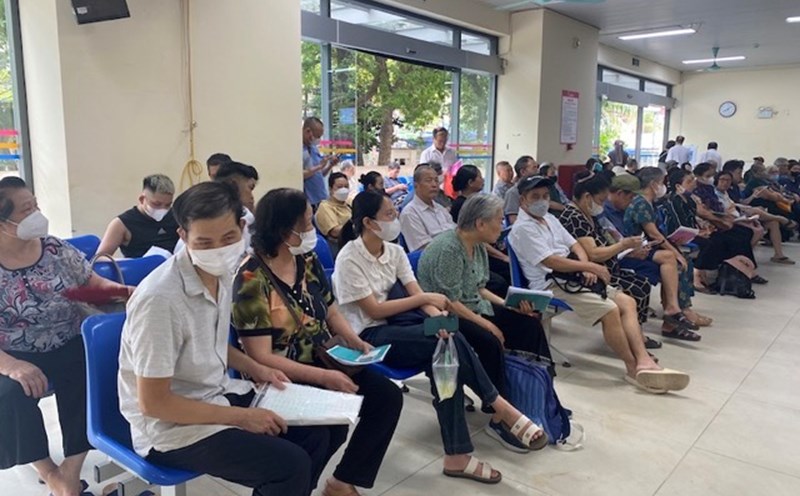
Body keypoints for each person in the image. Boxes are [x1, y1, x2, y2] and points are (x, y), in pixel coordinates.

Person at [119, 182, 329, 496]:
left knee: (323, 428)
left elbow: (209, 341)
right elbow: (154, 403)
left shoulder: (223, 272)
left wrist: (257, 368)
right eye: (204, 242)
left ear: (243, 227)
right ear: (183, 236)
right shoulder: (160, 301)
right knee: (289, 465)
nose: (218, 249)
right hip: (172, 427)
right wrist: (243, 417)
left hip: (216, 393)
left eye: (228, 238)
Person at [334, 191, 548, 484]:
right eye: (388, 214)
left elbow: (414, 292)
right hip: (370, 334)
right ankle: (498, 409)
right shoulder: (350, 257)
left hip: (405, 323)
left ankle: (461, 451)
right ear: (369, 222)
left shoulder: (393, 251)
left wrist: (435, 313)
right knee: (445, 344)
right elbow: (374, 309)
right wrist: (427, 301)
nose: (394, 218)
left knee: (447, 343)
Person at [232, 188, 402, 496]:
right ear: (286, 232)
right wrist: (326, 377)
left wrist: (355, 342)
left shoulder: (305, 259)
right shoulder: (250, 279)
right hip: (281, 377)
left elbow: (331, 309)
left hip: (324, 357)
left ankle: (342, 481)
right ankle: (297, 488)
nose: (314, 231)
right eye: (308, 224)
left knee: (386, 398)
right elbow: (261, 356)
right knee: (324, 434)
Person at [0, 177, 130, 496]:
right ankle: (49, 472)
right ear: (4, 223)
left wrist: (132, 293)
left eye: (36, 205)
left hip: (68, 337)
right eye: (26, 210)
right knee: (11, 393)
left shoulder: (55, 247)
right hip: (13, 351)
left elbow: (93, 283)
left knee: (91, 374)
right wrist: (11, 365)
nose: (37, 215)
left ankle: (69, 472)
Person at [508, 175, 691, 393]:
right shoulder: (523, 228)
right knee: (610, 310)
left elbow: (575, 245)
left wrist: (585, 266)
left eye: (546, 196)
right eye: (535, 196)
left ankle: (643, 360)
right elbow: (550, 261)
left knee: (628, 302)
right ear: (523, 200)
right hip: (551, 284)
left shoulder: (550, 219)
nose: (542, 200)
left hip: (572, 276)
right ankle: (632, 368)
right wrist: (590, 268)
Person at [418, 194, 553, 398]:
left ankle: (539, 390)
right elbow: (450, 302)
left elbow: (479, 288)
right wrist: (488, 325)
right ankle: (499, 406)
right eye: (499, 221)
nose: (502, 227)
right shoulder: (448, 249)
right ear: (480, 223)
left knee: (529, 324)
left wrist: (508, 305)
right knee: (490, 340)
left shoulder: (478, 245)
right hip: (443, 316)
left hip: (471, 306)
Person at [559, 172, 672, 347]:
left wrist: (629, 250)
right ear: (587, 197)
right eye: (601, 200)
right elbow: (593, 254)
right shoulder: (574, 217)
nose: (603, 204)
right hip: (588, 272)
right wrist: (623, 246)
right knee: (634, 289)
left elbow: (606, 242)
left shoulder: (589, 215)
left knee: (641, 283)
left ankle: (635, 333)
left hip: (608, 265)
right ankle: (630, 339)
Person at [599, 175, 698, 336]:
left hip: (629, 252)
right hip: (616, 258)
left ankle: (671, 313)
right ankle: (671, 315)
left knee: (670, 263)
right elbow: (608, 243)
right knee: (668, 263)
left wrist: (638, 246)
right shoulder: (604, 213)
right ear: (619, 193)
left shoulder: (620, 210)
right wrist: (629, 250)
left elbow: (623, 237)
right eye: (630, 197)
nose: (632, 201)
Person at [622, 168, 711, 327]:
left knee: (683, 259)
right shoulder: (641, 203)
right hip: (635, 249)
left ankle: (676, 309)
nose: (664, 187)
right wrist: (674, 252)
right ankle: (679, 310)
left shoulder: (648, 203)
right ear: (653, 184)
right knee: (678, 261)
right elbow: (653, 233)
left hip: (647, 246)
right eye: (662, 182)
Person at [715, 170, 794, 265]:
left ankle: (778, 255)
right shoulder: (714, 193)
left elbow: (737, 203)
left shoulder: (727, 191)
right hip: (731, 218)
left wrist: (752, 198)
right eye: (723, 180)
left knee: (773, 223)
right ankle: (742, 258)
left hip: (740, 213)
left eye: (728, 180)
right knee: (756, 226)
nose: (726, 182)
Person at [97, 174, 180, 258]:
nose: (162, 209)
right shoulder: (121, 224)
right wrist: (132, 264)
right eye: (156, 204)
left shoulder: (177, 216)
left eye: (167, 205)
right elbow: (99, 259)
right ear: (142, 199)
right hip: (139, 269)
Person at [399, 165, 456, 252]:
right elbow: (423, 249)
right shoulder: (410, 213)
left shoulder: (441, 209)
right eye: (428, 181)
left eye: (436, 181)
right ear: (416, 185)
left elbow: (457, 233)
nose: (434, 185)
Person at [302, 117, 340, 208]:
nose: (318, 140)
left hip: (321, 198)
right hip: (309, 201)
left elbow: (319, 174)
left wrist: (330, 165)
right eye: (317, 136)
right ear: (308, 131)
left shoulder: (313, 148)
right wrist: (319, 166)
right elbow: (301, 175)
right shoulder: (299, 150)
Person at [315, 172, 352, 242]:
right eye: (339, 187)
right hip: (339, 243)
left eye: (346, 186)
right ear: (330, 189)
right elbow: (335, 231)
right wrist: (356, 227)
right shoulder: (325, 206)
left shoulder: (349, 202)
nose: (344, 190)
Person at [503, 156, 539, 225]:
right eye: (534, 168)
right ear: (523, 172)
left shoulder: (536, 191)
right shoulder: (513, 193)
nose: (538, 171)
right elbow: (513, 220)